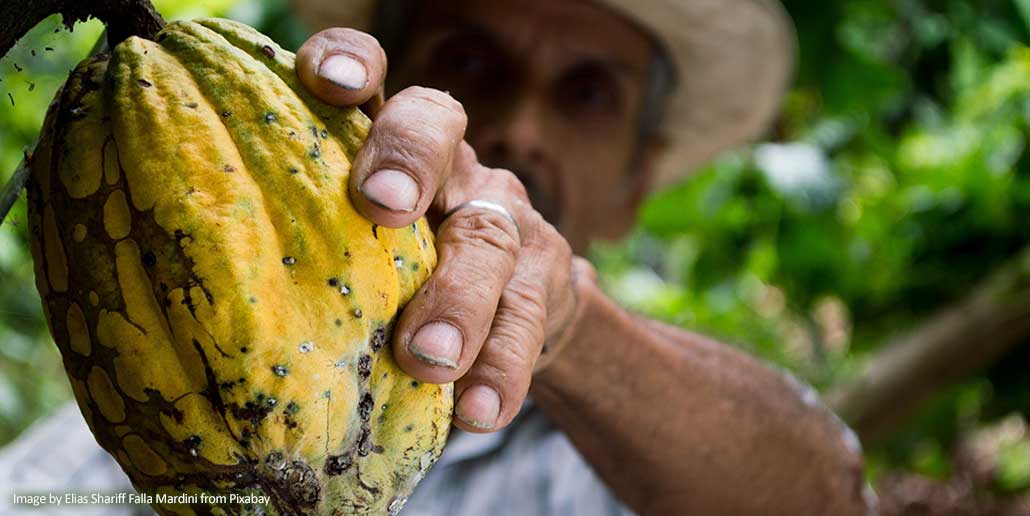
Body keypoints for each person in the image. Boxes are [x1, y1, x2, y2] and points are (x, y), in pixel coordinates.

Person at [0, 0, 876, 514]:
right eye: (467, 59)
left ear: (636, 181)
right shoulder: (119, 442)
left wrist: (564, 326)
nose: (521, 127)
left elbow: (825, 491)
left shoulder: (642, 456)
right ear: (369, 94)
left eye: (586, 93)